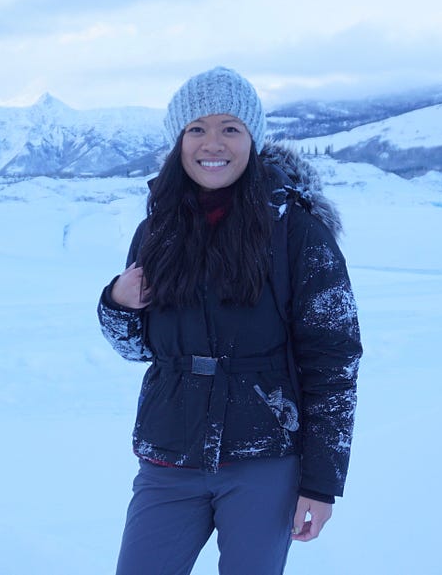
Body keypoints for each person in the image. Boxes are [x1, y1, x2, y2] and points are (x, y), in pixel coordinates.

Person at [97, 67, 361, 575]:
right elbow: (137, 349)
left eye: (229, 128)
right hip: (169, 456)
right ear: (178, 141)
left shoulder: (298, 233)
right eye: (196, 128)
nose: (211, 143)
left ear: (253, 139)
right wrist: (116, 305)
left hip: (263, 457)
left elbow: (334, 362)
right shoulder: (157, 230)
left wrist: (322, 482)